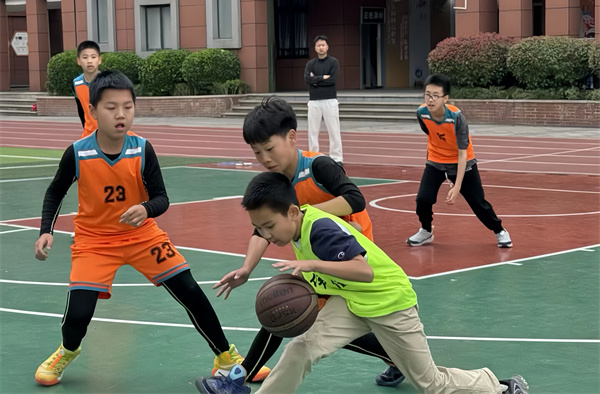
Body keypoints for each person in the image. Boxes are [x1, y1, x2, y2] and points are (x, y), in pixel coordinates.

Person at [33, 71, 266, 386]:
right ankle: (67, 350)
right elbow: (55, 192)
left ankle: (225, 357)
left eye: (127, 107)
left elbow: (161, 198)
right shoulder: (78, 152)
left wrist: (145, 208)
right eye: (111, 107)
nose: (121, 114)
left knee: (190, 291)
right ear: (93, 111)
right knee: (78, 315)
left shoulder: (142, 149)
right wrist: (46, 229)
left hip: (142, 236)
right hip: (95, 241)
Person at [221, 171, 529, 394]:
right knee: (301, 348)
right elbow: (338, 257)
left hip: (390, 303)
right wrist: (300, 274)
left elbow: (363, 271)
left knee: (431, 384)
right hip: (353, 302)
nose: (266, 234)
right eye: (259, 228)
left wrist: (310, 265)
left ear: (292, 212)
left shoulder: (319, 229)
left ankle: (499, 386)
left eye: (269, 226)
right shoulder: (297, 226)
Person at [195, 98, 404, 394]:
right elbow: (261, 229)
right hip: (316, 259)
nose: (264, 157)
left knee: (288, 311)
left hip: (350, 256)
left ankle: (235, 382)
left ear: (292, 137)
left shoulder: (318, 166)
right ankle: (396, 357)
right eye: (257, 152)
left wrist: (306, 214)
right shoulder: (275, 182)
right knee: (287, 311)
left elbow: (355, 199)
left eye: (270, 148)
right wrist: (246, 269)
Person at [407, 74, 512, 248]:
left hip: (462, 161)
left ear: (445, 98)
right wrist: (429, 162)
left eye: (435, 96)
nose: (430, 100)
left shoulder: (456, 117)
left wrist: (456, 186)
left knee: (478, 203)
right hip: (436, 160)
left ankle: (499, 230)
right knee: (423, 199)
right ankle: (426, 230)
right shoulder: (422, 113)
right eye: (427, 95)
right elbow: (431, 135)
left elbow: (462, 154)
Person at [304, 35, 343, 164]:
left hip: (330, 100)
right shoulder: (310, 64)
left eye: (323, 45)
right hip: (314, 101)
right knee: (312, 131)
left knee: (334, 130)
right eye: (318, 45)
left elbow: (332, 80)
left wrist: (315, 80)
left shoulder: (333, 62)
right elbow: (307, 79)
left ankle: (337, 158)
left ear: (327, 47)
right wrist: (322, 78)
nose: (321, 47)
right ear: (315, 48)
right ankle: (313, 156)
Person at [73, 40, 102, 138]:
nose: (89, 61)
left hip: (107, 133)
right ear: (78, 61)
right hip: (88, 134)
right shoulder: (76, 83)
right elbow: (81, 110)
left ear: (99, 60)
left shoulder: (107, 82)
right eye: (85, 57)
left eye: (93, 57)